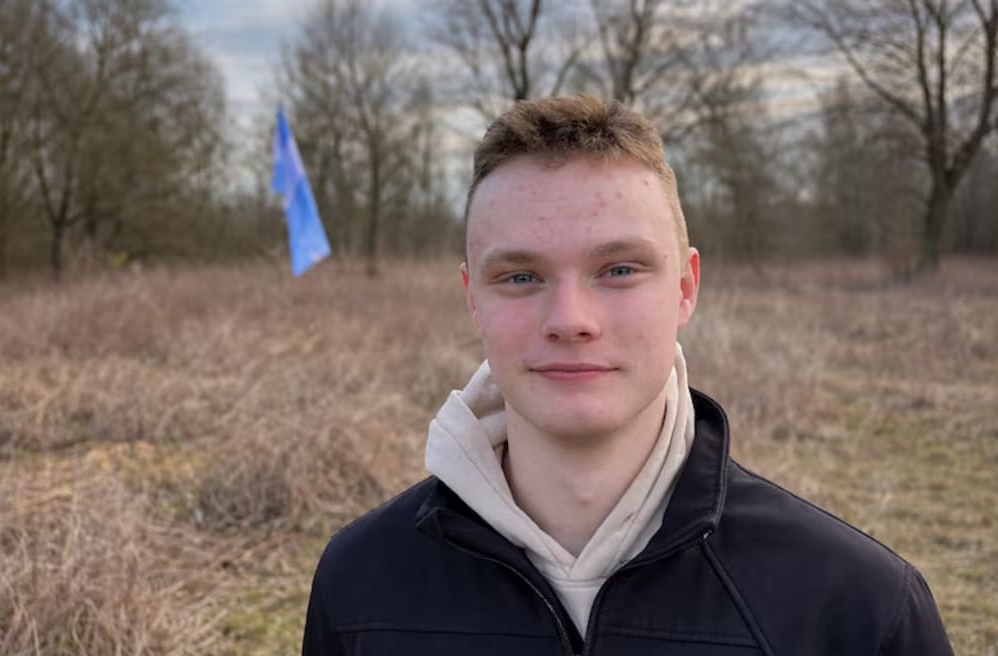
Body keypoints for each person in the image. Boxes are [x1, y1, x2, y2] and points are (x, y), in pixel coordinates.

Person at [301, 96, 953, 655]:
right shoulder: (359, 586)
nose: (570, 319)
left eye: (619, 269)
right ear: (473, 298)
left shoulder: (858, 608)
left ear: (686, 287)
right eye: (521, 276)